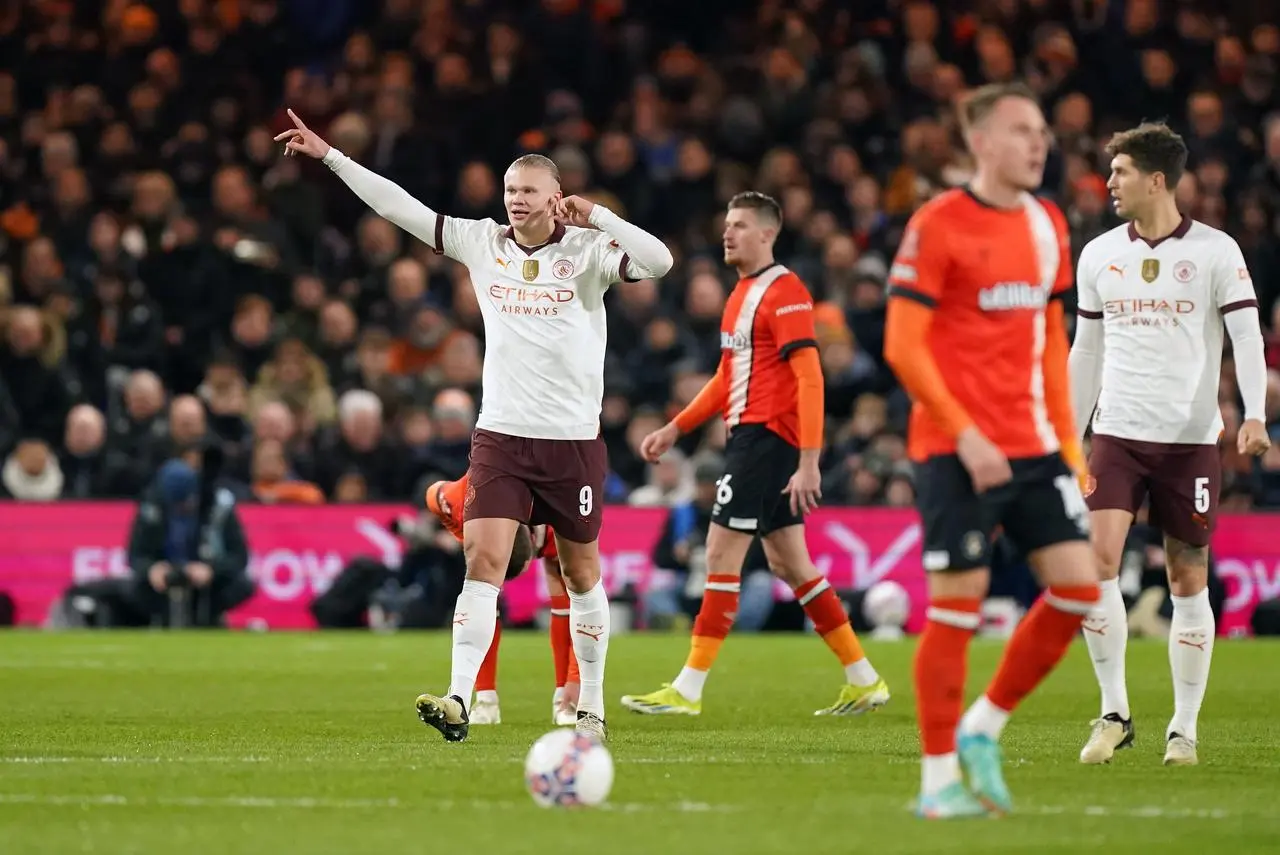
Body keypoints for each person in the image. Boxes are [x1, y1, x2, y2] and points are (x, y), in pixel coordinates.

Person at [277, 110, 673, 742]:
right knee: (483, 561)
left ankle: (590, 706)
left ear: (555, 197)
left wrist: (597, 215)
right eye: (510, 191)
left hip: (571, 439)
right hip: (501, 438)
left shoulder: (590, 251)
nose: (516, 203)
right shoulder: (480, 242)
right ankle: (461, 697)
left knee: (581, 575)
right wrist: (330, 157)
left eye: (529, 193)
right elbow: (398, 207)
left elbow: (659, 262)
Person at [883, 81, 1100, 819]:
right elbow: (902, 345)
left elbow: (1048, 344)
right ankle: (937, 779)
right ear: (979, 142)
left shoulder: (1048, 223)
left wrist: (1067, 445)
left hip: (1032, 443)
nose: (1038, 143)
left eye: (1041, 131)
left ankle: (984, 726)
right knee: (958, 607)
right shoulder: (937, 224)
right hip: (953, 447)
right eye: (1020, 131)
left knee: (1080, 586)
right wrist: (965, 433)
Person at [620, 191, 889, 717]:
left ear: (768, 233)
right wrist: (677, 426)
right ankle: (864, 678)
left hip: (767, 439)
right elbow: (728, 377)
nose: (728, 232)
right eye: (727, 223)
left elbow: (810, 376)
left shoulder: (785, 292)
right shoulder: (742, 293)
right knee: (793, 564)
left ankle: (688, 689)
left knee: (721, 555)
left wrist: (810, 460)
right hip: (753, 438)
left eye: (740, 224)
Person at [1069, 122, 1271, 768]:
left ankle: (1182, 728)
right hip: (1117, 436)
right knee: (1096, 564)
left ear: (1157, 179)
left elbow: (1246, 335)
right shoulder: (1098, 254)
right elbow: (1087, 349)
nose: (1110, 183)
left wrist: (1255, 413)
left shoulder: (1216, 252)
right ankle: (1114, 711)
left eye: (1121, 172)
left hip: (1188, 441)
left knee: (1189, 578)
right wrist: (1073, 434)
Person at [425, 475, 580, 726]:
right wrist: (465, 534)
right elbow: (433, 493)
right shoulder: (456, 500)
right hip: (487, 505)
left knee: (567, 594)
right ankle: (485, 701)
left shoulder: (561, 520)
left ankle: (565, 698)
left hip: (555, 489)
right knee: (483, 594)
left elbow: (579, 609)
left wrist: (574, 681)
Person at [126, 458, 255, 627]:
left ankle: (210, 619)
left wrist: (212, 570)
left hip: (209, 581)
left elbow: (239, 556)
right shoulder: (150, 509)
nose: (182, 508)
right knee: (132, 589)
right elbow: (135, 554)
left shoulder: (219, 506)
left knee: (242, 585)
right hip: (162, 580)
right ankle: (158, 621)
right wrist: (152, 569)